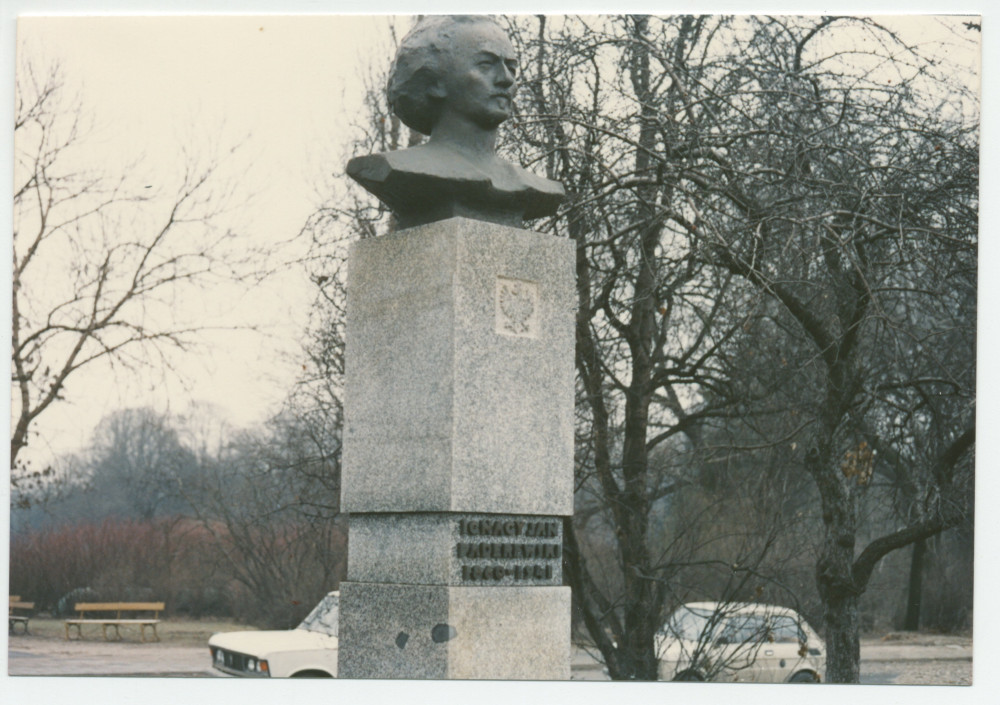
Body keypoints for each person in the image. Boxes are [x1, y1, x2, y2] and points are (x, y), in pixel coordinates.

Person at [347, 15, 564, 229]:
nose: (506, 78)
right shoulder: (399, 168)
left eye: (511, 67)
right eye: (486, 65)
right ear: (436, 82)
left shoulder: (530, 185)